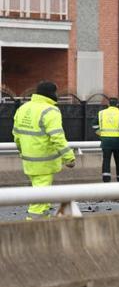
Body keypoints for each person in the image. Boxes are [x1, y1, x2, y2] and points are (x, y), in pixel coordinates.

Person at [13, 81, 75, 220]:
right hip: (44, 162)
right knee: (40, 200)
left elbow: (16, 135)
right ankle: (32, 228)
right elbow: (57, 137)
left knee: (41, 196)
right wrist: (69, 157)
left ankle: (44, 224)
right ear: (52, 94)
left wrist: (23, 152)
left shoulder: (23, 108)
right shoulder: (50, 110)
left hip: (28, 161)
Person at [93, 97, 119, 182]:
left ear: (108, 104)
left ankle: (106, 180)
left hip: (106, 141)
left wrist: (101, 134)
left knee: (106, 160)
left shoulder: (101, 113)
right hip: (118, 141)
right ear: (117, 105)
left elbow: (94, 125)